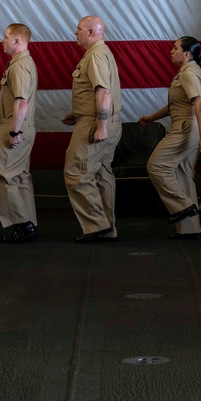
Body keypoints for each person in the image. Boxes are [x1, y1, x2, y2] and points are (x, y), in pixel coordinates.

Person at [139, 36, 201, 240]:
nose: (171, 51)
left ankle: (184, 206)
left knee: (156, 165)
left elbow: (199, 104)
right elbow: (177, 104)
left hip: (186, 126)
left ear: (186, 54)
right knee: (182, 176)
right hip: (185, 124)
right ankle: (190, 229)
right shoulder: (186, 72)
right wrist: (152, 117)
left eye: (175, 48)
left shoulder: (189, 73)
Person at [62, 16, 123, 243]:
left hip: (96, 124)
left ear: (91, 32)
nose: (75, 33)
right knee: (100, 175)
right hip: (100, 120)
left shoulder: (96, 55)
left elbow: (104, 92)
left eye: (78, 30)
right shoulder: (100, 53)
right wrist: (78, 112)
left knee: (76, 173)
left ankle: (97, 226)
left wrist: (101, 126)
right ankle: (107, 228)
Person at [0, 23, 39, 244]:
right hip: (17, 123)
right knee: (19, 177)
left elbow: (21, 102)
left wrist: (14, 130)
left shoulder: (20, 66)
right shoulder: (21, 63)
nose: (1, 41)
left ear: (16, 41)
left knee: (3, 176)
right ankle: (28, 225)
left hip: (16, 126)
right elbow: (14, 99)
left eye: (5, 37)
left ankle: (23, 226)